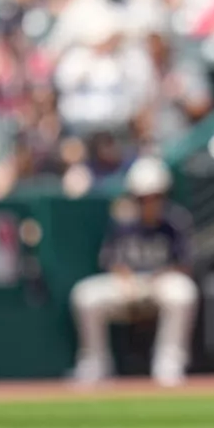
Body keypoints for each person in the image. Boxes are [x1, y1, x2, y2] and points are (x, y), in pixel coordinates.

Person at [69, 157, 198, 387]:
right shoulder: (122, 221)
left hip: (161, 282)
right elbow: (111, 260)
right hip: (129, 283)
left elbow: (185, 264)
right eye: (142, 198)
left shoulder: (175, 221)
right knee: (85, 295)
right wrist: (125, 280)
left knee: (183, 292)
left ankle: (169, 363)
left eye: (154, 197)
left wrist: (159, 277)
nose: (149, 203)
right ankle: (95, 364)